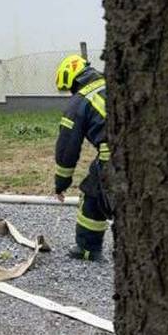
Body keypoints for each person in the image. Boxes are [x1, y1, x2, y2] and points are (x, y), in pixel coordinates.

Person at [53, 53, 112, 261]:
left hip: (114, 157)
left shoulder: (79, 102)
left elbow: (67, 149)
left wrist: (61, 183)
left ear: (71, 80)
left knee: (96, 195)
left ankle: (88, 248)